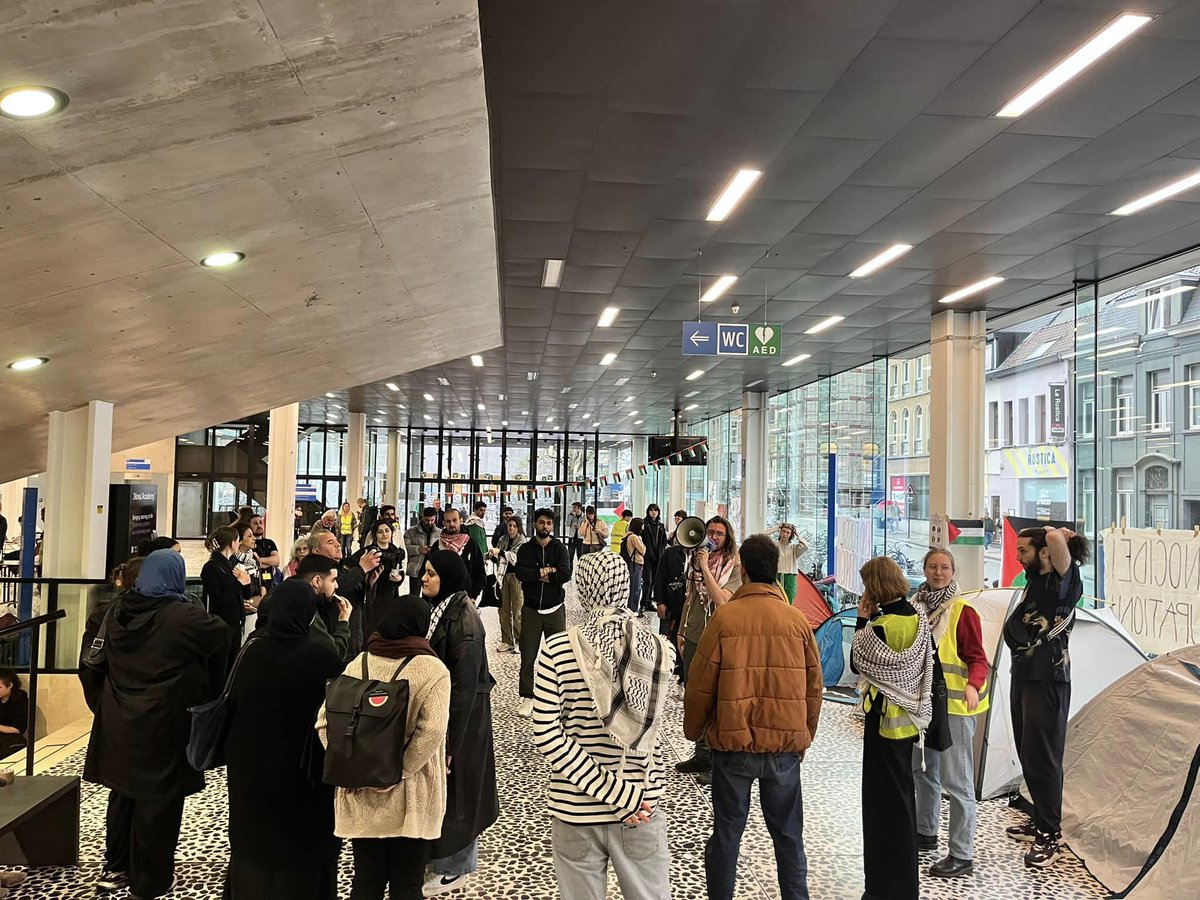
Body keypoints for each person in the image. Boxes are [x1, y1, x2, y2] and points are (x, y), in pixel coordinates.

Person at [81, 550, 228, 899]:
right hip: (164, 723)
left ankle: (115, 868)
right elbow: (221, 634)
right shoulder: (183, 617)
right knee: (159, 803)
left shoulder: (113, 612)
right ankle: (151, 880)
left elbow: (91, 665)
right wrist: (208, 691)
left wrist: (104, 704)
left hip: (119, 721)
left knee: (122, 796)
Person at [684, 535, 823, 900]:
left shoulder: (725, 619)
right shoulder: (796, 621)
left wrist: (694, 729)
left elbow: (700, 683)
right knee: (790, 837)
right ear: (777, 570)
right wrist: (804, 736)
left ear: (743, 568)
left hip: (733, 747)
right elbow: (814, 687)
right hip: (783, 750)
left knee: (727, 834)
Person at [532, 551, 675, 900]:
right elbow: (649, 736)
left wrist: (610, 792)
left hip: (575, 807)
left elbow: (547, 734)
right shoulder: (659, 648)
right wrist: (625, 795)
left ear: (581, 589)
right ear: (625, 587)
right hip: (641, 804)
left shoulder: (555, 649)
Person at [317, 593, 451, 900]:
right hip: (411, 796)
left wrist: (355, 766)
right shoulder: (432, 669)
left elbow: (325, 723)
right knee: (407, 884)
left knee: (366, 881)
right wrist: (399, 771)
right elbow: (432, 731)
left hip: (361, 794)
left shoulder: (358, 662)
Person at [223, 579, 344, 899]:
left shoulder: (249, 654)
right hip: (304, 777)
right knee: (302, 854)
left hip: (250, 773)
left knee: (255, 848)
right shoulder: (322, 660)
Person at [1003, 526, 1088, 868]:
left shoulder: (1064, 582)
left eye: (1024, 549)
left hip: (1048, 681)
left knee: (1044, 757)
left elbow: (1054, 541)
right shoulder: (1034, 580)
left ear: (1044, 552)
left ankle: (1050, 834)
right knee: (1028, 751)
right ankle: (1040, 818)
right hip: (1023, 676)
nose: (1017, 555)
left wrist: (1055, 532)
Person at [851, 556, 933, 900]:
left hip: (883, 724)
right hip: (910, 724)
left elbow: (859, 660)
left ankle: (882, 887)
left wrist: (861, 616)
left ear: (875, 587)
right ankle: (904, 887)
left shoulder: (880, 627)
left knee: (881, 810)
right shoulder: (919, 618)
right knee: (903, 803)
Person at [420, 551, 499, 897]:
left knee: (461, 789)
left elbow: (464, 684)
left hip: (464, 717)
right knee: (452, 790)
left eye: (432, 574)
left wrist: (453, 738)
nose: (424, 579)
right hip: (453, 712)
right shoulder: (446, 609)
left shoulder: (463, 620)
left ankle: (456, 867)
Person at [911, 549, 989, 878]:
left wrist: (973, 685)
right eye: (933, 566)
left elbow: (978, 658)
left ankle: (961, 853)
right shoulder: (915, 606)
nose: (938, 572)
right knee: (924, 771)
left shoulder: (962, 611)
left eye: (944, 567)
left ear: (953, 571)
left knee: (958, 781)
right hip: (923, 707)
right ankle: (925, 832)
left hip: (956, 708)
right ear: (924, 569)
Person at [676, 516, 741, 780]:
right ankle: (701, 755)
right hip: (693, 633)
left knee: (714, 697)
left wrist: (704, 566)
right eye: (710, 532)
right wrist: (681, 629)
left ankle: (715, 760)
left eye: (719, 534)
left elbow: (723, 601)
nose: (712, 538)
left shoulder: (733, 566)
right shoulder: (695, 562)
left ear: (728, 538)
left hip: (718, 635)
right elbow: (691, 598)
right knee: (695, 695)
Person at [512, 508, 573, 718]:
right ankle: (528, 696)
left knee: (560, 656)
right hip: (531, 610)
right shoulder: (526, 549)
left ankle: (558, 697)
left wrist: (539, 575)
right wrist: (546, 570)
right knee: (528, 656)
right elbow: (521, 573)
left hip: (555, 609)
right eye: (541, 522)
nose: (545, 526)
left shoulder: (560, 549)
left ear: (552, 526)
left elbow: (565, 573)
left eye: (548, 523)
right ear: (534, 525)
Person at [308, 527, 382, 658]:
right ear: (316, 551)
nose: (338, 544)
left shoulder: (345, 568)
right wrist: (361, 569)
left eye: (337, 541)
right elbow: (335, 590)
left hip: (355, 638)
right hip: (334, 641)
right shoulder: (315, 573)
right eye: (330, 542)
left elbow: (360, 601)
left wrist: (369, 583)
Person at [201, 526, 257, 673]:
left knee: (232, 665)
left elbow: (244, 592)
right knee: (220, 667)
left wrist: (246, 582)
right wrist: (239, 583)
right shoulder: (211, 568)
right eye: (238, 540)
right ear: (232, 543)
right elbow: (218, 599)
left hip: (235, 622)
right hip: (221, 624)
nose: (239, 544)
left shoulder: (232, 564)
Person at [347, 521, 406, 643]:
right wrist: (366, 578)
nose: (384, 534)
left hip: (390, 593)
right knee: (371, 624)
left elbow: (400, 571)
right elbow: (350, 565)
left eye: (387, 531)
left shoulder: (396, 551)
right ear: (375, 535)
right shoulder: (369, 551)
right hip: (372, 594)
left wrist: (399, 578)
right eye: (380, 532)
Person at [288, 554, 353, 662]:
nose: (336, 585)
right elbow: (333, 655)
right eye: (333, 580)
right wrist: (343, 622)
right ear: (317, 581)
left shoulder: (282, 595)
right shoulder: (306, 609)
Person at [488, 514, 526, 654]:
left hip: (516, 578)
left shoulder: (522, 541)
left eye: (514, 526)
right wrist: (493, 555)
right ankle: (507, 641)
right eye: (509, 525)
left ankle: (519, 640)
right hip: (502, 576)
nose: (511, 528)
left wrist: (501, 552)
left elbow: (515, 557)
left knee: (517, 611)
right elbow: (499, 555)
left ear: (518, 528)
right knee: (503, 610)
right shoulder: (503, 539)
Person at [437, 508, 486, 601]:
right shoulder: (438, 545)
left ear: (461, 520)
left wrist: (474, 595)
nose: (451, 524)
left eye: (454, 520)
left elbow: (479, 571)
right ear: (443, 523)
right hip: (440, 597)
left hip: (464, 597)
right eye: (448, 521)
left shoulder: (470, 544)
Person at [763, 523, 808, 604]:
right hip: (776, 575)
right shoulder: (773, 545)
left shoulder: (794, 548)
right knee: (775, 601)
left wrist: (797, 533)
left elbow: (805, 546)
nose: (785, 534)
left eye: (788, 533)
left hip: (790, 577)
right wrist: (776, 528)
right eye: (783, 531)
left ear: (791, 535)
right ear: (780, 532)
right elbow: (761, 536)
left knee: (788, 602)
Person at [405, 508, 439, 596]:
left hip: (432, 568)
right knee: (414, 594)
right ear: (422, 517)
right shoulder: (410, 532)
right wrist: (418, 549)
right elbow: (404, 548)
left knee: (429, 595)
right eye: (427, 520)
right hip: (416, 568)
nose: (430, 523)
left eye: (432, 520)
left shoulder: (440, 533)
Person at [642, 504, 667, 612]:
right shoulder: (645, 525)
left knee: (654, 581)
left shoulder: (660, 526)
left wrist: (661, 551)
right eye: (651, 510)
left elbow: (664, 540)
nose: (653, 512)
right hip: (647, 557)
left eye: (655, 510)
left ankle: (649, 602)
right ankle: (644, 602)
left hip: (658, 557)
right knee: (648, 580)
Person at [0, 670, 29, 759]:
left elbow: (18, 729)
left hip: (10, 739)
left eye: (0, 687)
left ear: (10, 685)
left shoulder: (20, 698)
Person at [623, 517, 647, 614]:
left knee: (633, 586)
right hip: (636, 563)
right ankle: (633, 609)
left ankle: (631, 608)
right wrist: (641, 541)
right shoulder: (635, 537)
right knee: (635, 588)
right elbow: (643, 550)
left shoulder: (628, 535)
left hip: (631, 563)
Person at [249, 514, 280, 586]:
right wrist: (269, 562)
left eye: (260, 522)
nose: (259, 526)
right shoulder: (248, 543)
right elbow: (254, 564)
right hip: (254, 582)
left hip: (270, 582)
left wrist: (259, 560)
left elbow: (277, 561)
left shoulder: (270, 542)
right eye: (255, 523)